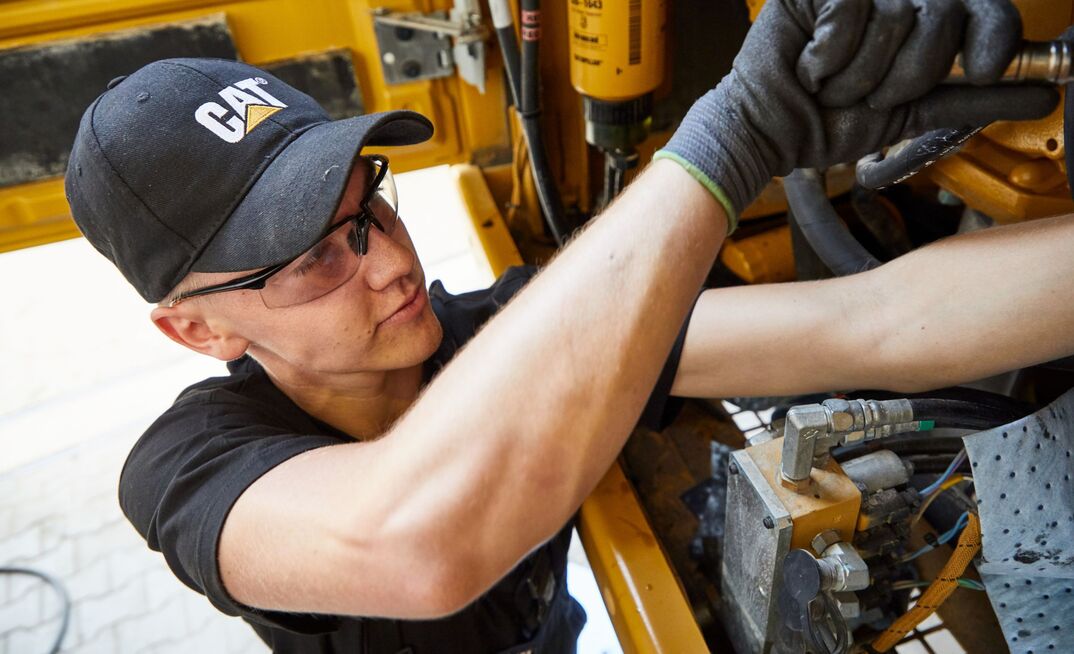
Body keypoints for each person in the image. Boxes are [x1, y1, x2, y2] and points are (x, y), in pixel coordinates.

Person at [64, 0, 1072, 651]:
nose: (386, 262)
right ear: (199, 333)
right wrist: (732, 139)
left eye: (367, 204)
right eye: (312, 257)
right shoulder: (188, 469)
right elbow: (417, 543)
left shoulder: (495, 335)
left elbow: (873, 322)